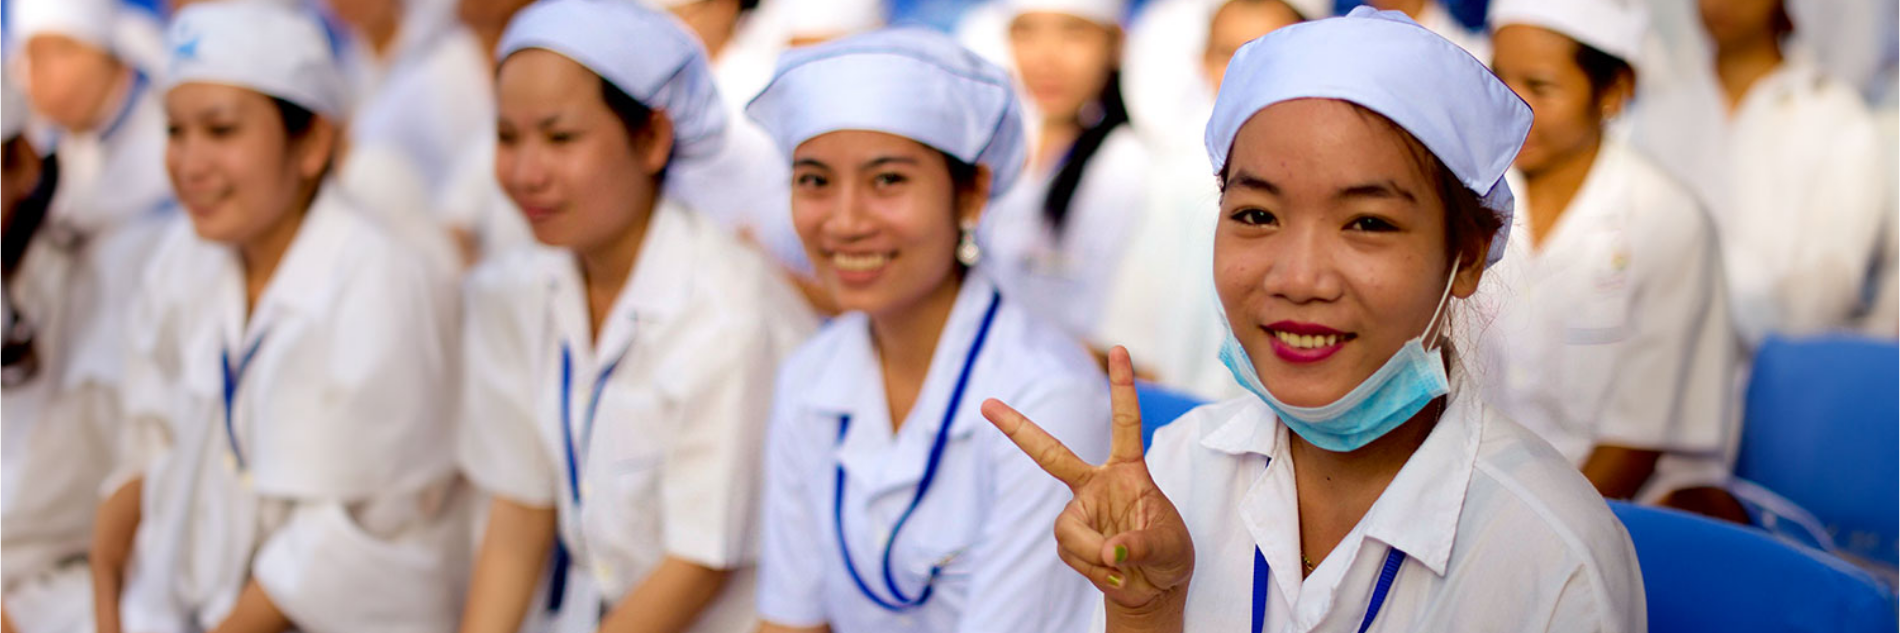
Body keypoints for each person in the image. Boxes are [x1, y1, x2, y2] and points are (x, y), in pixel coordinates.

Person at [982, 8, 1644, 631]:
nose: (1298, 279)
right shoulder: (1178, 471)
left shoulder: (1552, 558)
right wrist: (1147, 612)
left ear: (1468, 254)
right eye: (1257, 215)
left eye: (1367, 223)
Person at [94, 3, 470, 632]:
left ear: (314, 143)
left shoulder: (381, 281)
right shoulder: (183, 259)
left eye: (220, 131)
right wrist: (106, 586)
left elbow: (350, 540)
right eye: (175, 131)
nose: (189, 164)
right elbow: (148, 445)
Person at [455, 2, 817, 632]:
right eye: (507, 137)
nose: (526, 173)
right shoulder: (517, 289)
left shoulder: (731, 314)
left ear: (652, 138)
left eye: (561, 138)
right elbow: (520, 508)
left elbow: (696, 566)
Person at [747, 27, 1111, 632]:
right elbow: (789, 620)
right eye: (814, 181)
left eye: (887, 180)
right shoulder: (810, 374)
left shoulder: (1048, 398)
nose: (844, 221)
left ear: (971, 194)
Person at [1477, 0, 1742, 512]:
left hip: (1626, 506)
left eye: (1540, 88)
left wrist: (1536, 533)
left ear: (1614, 92)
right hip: (1493, 494)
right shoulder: (1472, 200)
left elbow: (1635, 444)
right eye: (1498, 79)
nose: (1511, 107)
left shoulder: (1668, 219)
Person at [1116, 0, 1307, 400]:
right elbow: (1139, 305)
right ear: (1202, 62)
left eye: (1268, 51)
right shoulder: (1174, 170)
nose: (1247, 70)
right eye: (1228, 53)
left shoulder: (1324, 169)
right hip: (1175, 392)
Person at [1688, 0, 1887, 346]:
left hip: (1778, 371)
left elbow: (1824, 298)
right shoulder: (1655, 114)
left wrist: (1693, 285)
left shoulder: (1836, 117)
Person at [981, 0, 1157, 368]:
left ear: (1116, 43)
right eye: (1027, 32)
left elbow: (1134, 350)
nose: (1046, 59)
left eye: (1073, 33)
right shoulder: (1003, 148)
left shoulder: (1129, 166)